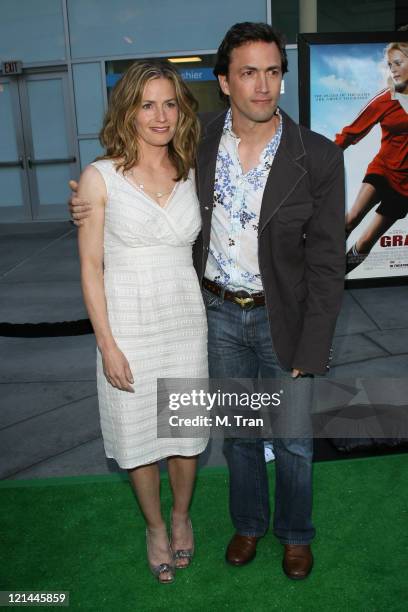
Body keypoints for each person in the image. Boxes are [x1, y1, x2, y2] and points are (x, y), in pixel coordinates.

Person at [71, 22, 345, 580]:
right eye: (248, 72)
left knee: (293, 441)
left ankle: (295, 535)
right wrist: (85, 198)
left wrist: (314, 344)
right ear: (224, 82)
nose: (262, 86)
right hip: (214, 315)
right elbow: (126, 182)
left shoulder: (316, 156)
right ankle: (248, 525)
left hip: (282, 318)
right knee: (239, 437)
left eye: (273, 72)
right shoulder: (198, 142)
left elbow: (325, 263)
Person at [75, 59, 208, 583]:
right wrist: (107, 344)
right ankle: (154, 525)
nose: (160, 116)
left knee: (184, 434)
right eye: (147, 104)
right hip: (127, 323)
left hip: (183, 323)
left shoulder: (193, 168)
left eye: (170, 103)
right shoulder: (98, 176)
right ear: (127, 110)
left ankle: (181, 517)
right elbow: (90, 267)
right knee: (137, 438)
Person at [335, 42, 408, 274]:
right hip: (383, 170)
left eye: (398, 63)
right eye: (390, 65)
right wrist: (323, 159)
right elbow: (353, 131)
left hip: (405, 188)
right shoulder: (386, 99)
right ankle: (312, 270)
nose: (393, 70)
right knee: (351, 219)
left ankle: (336, 280)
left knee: (366, 240)